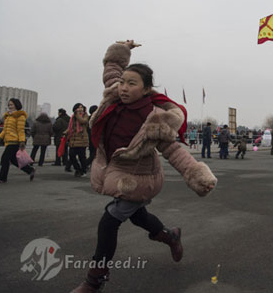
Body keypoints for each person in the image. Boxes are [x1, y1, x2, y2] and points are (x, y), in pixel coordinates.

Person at [70, 40, 217, 293]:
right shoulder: (115, 97)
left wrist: (195, 174)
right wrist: (121, 49)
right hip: (117, 173)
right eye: (123, 82)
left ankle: (94, 280)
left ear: (146, 89)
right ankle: (170, 236)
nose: (124, 87)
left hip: (139, 178)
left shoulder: (154, 118)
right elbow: (112, 69)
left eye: (132, 83)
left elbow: (172, 150)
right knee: (138, 216)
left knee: (109, 221)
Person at [0, 98, 36, 184]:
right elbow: (5, 130)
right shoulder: (8, 116)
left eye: (11, 105)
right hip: (8, 140)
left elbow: (20, 130)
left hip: (15, 141)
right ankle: (30, 170)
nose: (10, 106)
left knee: (4, 158)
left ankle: (2, 178)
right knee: (13, 160)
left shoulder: (20, 116)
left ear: (16, 105)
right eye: (9, 105)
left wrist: (22, 141)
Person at [65, 103, 89, 177]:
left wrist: (77, 115)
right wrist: (65, 132)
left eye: (81, 107)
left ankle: (83, 170)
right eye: (79, 107)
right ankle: (77, 169)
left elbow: (83, 121)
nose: (80, 109)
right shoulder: (72, 117)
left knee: (82, 156)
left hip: (82, 139)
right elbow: (70, 127)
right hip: (74, 139)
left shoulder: (85, 115)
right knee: (71, 155)